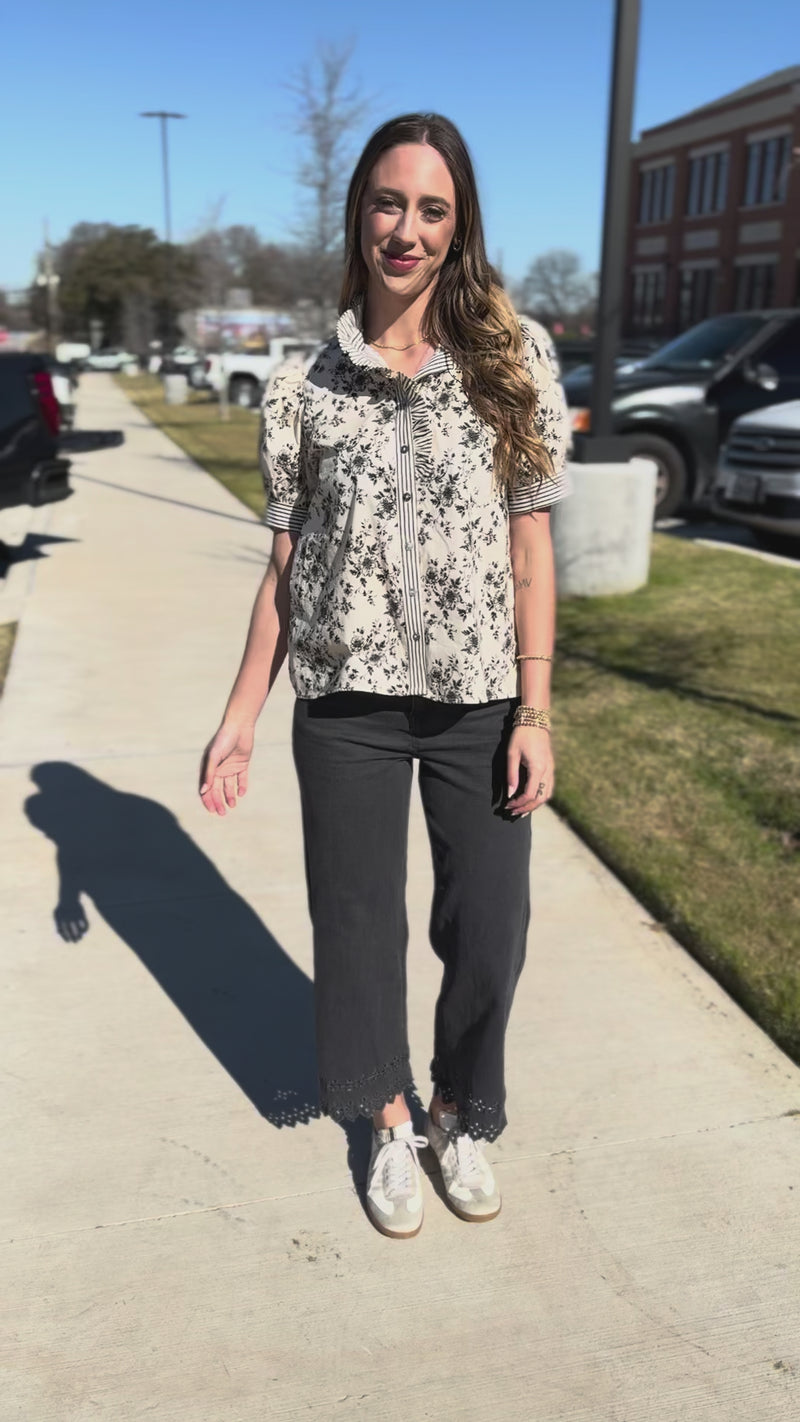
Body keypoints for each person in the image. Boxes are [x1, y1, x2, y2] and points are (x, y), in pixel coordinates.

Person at [200, 113, 570, 1240]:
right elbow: (284, 564)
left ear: (457, 229)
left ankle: (462, 1106)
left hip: (477, 704)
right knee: (356, 925)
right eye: (386, 202)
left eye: (431, 209)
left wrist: (537, 712)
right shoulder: (302, 382)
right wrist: (238, 718)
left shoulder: (512, 357)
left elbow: (530, 549)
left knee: (489, 923)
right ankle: (391, 1118)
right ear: (356, 210)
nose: (403, 230)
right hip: (346, 706)